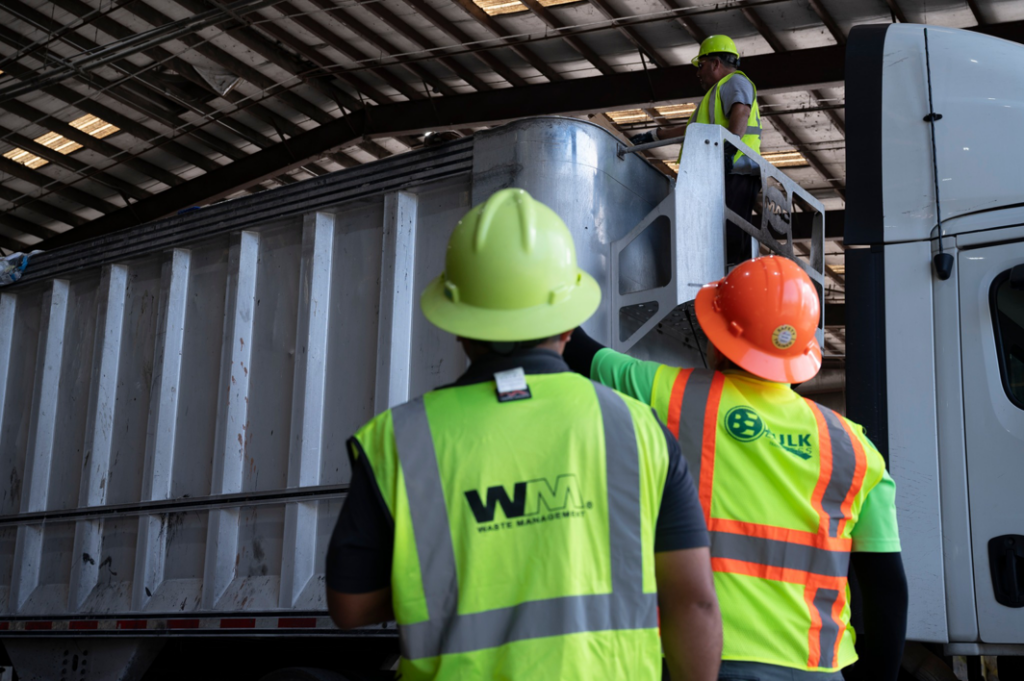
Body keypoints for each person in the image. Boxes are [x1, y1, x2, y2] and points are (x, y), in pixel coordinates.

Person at [325, 188, 723, 681]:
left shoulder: (399, 439)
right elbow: (695, 603)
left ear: (459, 324)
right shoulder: (637, 429)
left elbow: (349, 605)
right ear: (569, 323)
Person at [564, 256, 908, 681]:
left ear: (715, 337)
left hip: (699, 660)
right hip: (814, 668)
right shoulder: (857, 449)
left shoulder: (673, 395)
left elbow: (578, 351)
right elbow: (886, 593)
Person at [631, 35, 763, 266]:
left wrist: (728, 151)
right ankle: (720, 271)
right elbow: (691, 129)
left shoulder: (735, 82)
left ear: (716, 63)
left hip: (737, 167)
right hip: (721, 168)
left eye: (701, 65)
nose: (698, 73)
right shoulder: (714, 96)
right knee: (716, 226)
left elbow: (740, 113)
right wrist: (654, 136)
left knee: (731, 227)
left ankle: (733, 274)